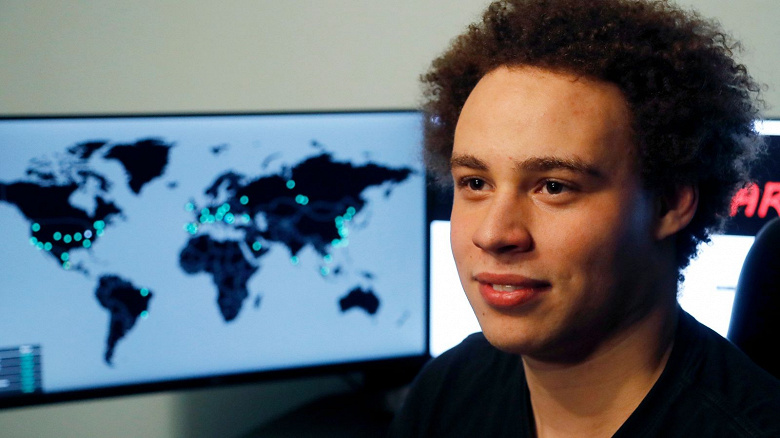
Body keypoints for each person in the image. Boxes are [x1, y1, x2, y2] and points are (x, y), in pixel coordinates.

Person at [389, 0, 780, 437]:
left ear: (668, 204)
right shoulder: (447, 390)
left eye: (554, 187)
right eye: (476, 183)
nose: (493, 234)